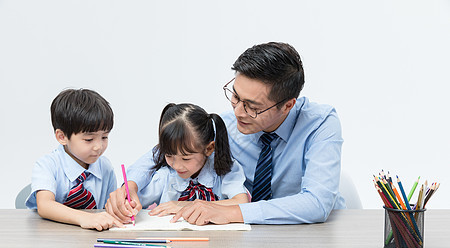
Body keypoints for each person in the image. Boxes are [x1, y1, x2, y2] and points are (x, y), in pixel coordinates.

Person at [106, 42, 345, 225]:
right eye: (235, 96)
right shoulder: (228, 124)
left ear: (288, 105)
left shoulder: (320, 124)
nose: (238, 111)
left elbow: (316, 203)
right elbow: (162, 153)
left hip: (310, 237)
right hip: (247, 239)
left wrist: (230, 211)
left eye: (252, 106)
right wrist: (131, 186)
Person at [108, 103, 249, 218]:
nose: (176, 165)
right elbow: (136, 197)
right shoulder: (166, 175)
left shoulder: (225, 170)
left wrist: (185, 205)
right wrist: (127, 205)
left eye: (186, 158)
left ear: (209, 148)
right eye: (169, 155)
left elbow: (242, 202)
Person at [25, 89, 122, 231]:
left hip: (95, 241)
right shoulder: (48, 165)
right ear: (62, 137)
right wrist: (84, 218)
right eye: (89, 139)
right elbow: (45, 205)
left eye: (104, 137)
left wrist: (120, 207)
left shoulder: (105, 167)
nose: (98, 146)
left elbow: (109, 208)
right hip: (54, 239)